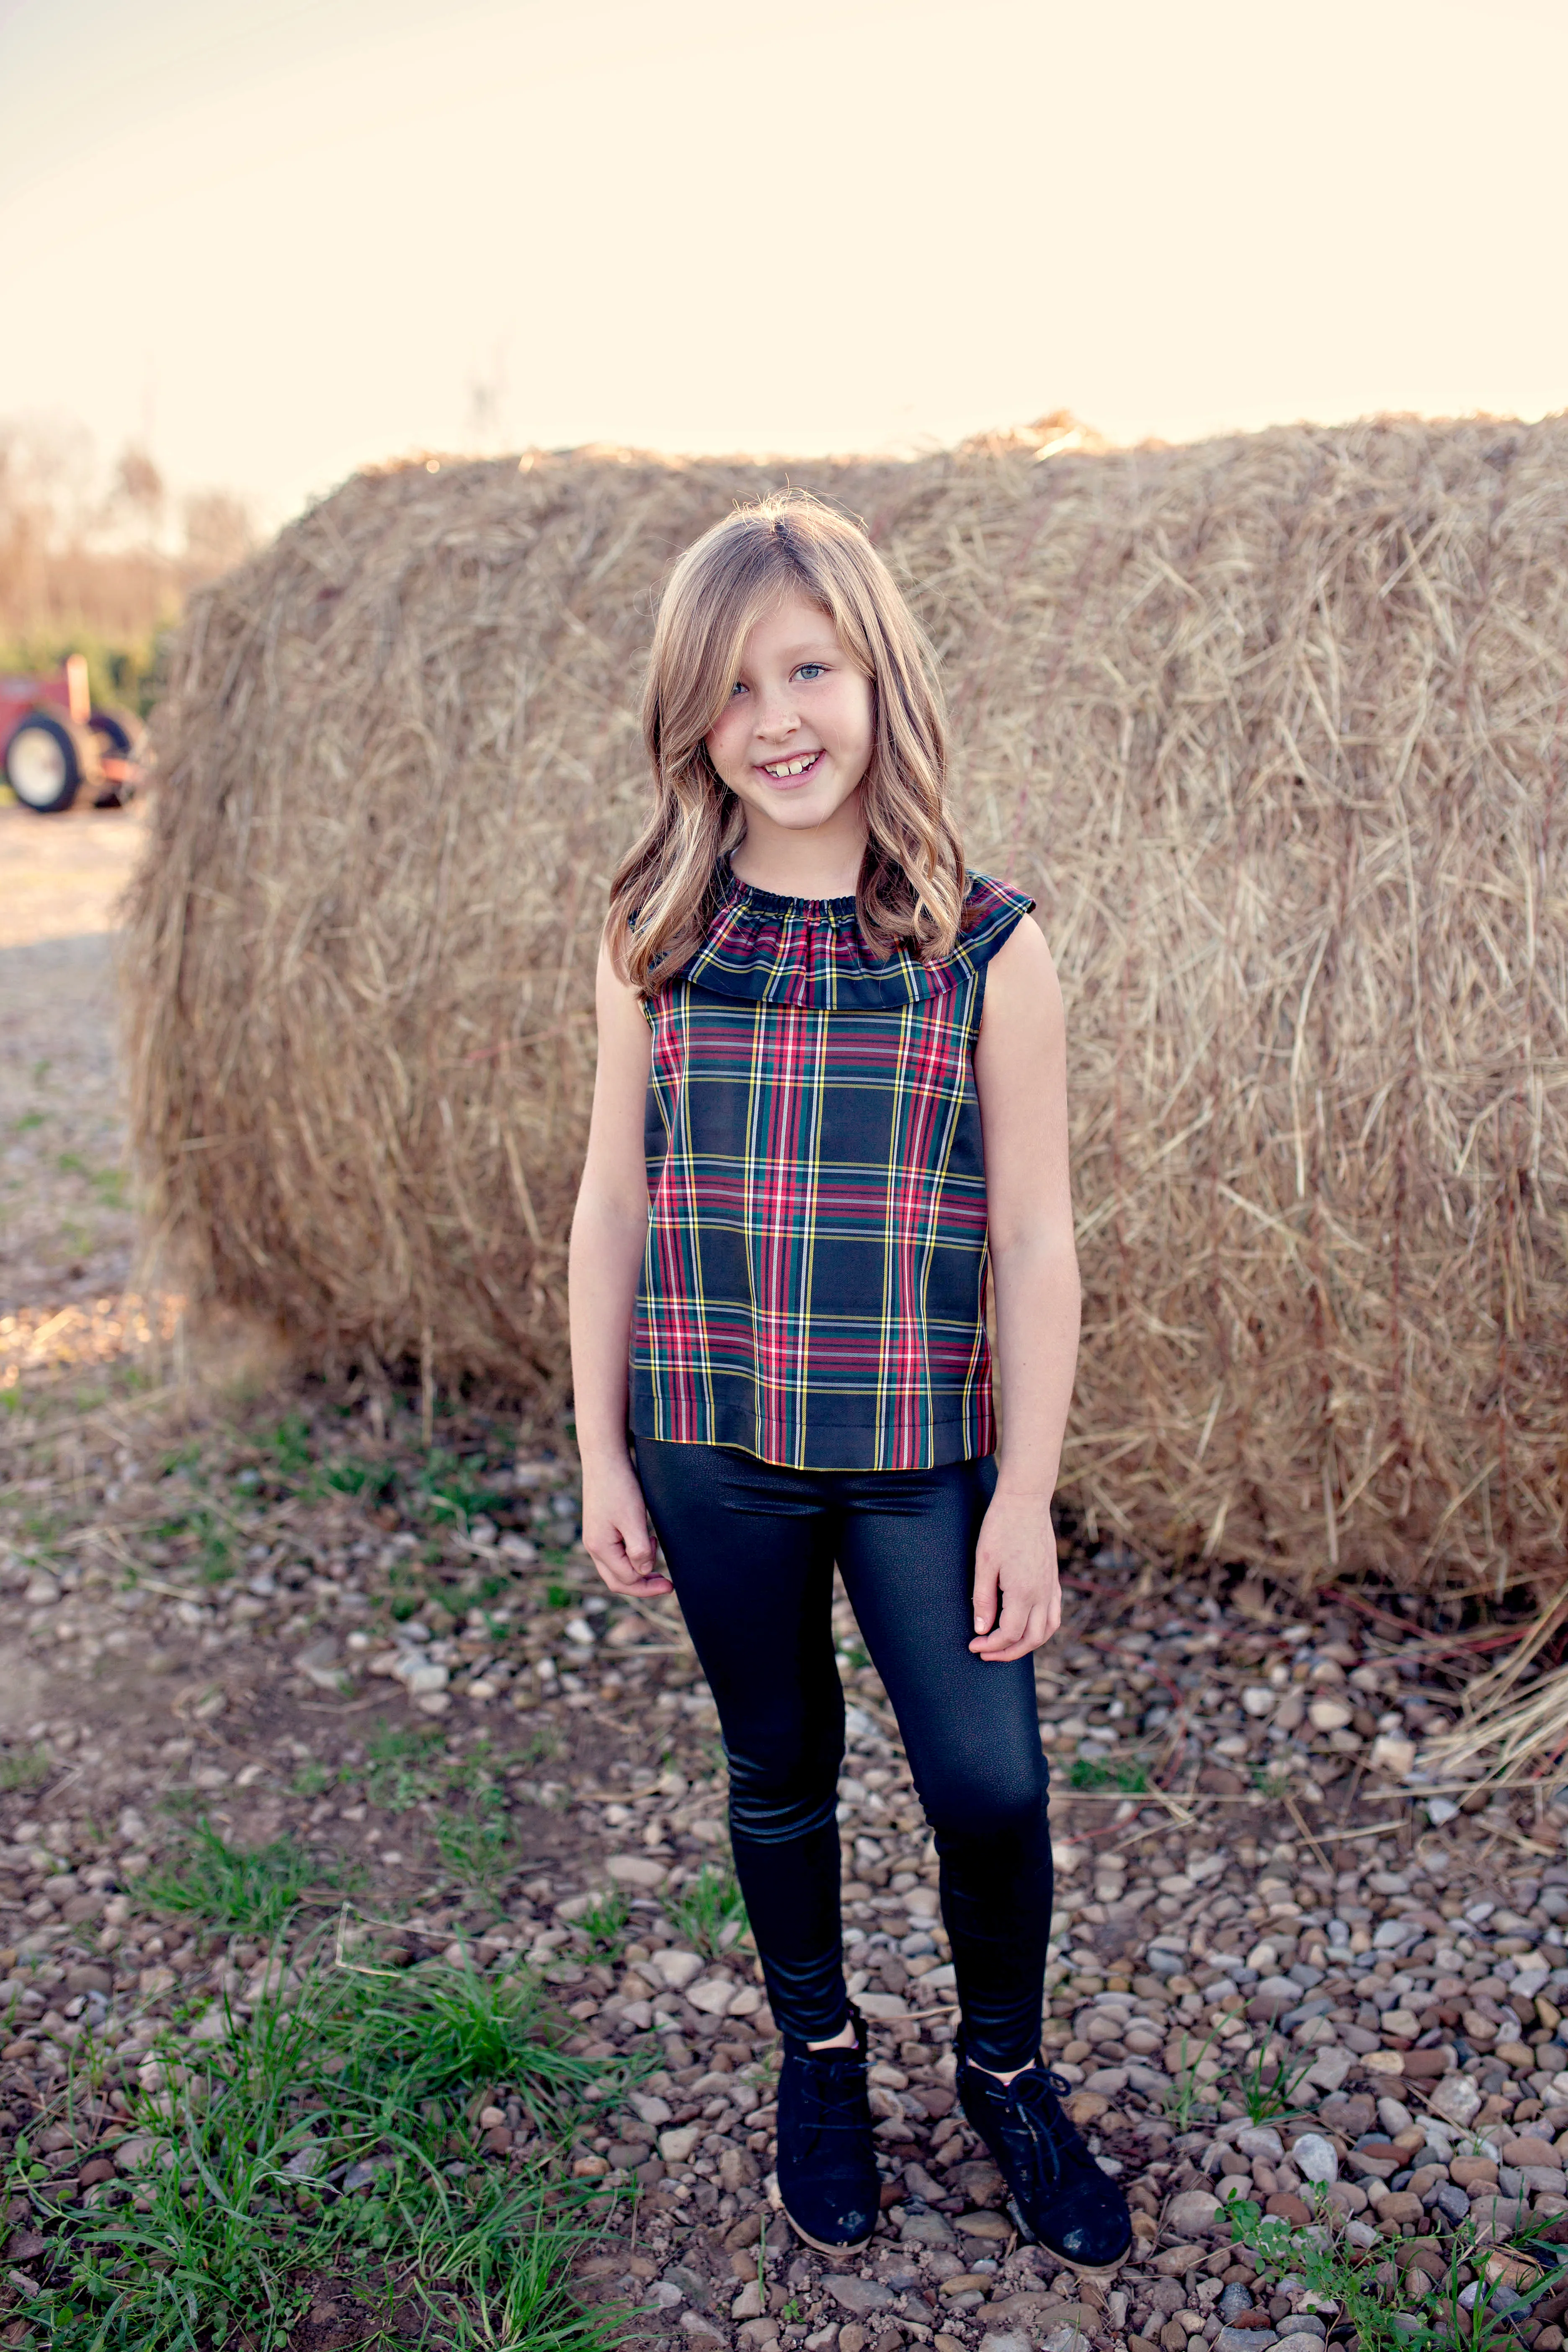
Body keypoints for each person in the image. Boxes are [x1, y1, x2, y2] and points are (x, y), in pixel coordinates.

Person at [567, 491, 1130, 2274]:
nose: (778, 719)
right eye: (735, 690)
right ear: (693, 720)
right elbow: (611, 1198)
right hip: (712, 1442)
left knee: (988, 1784)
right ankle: (820, 2057)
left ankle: (1005, 2067)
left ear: (876, 678)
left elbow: (1035, 1239)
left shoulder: (982, 942)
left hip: (913, 1461)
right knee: (779, 1765)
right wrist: (600, 1444)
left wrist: (1024, 1492)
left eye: (809, 668)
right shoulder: (658, 930)